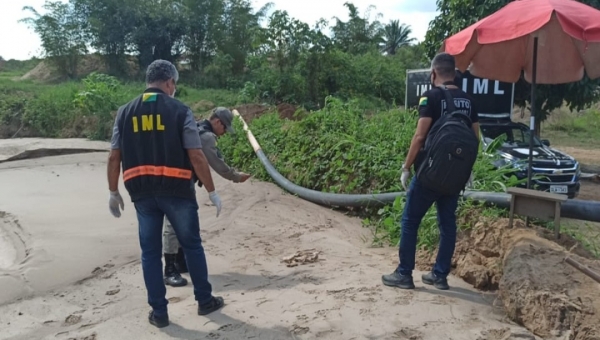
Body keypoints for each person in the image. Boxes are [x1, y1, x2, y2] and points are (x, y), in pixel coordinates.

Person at [106, 59, 225, 328]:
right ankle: (204, 301)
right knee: (192, 245)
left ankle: (159, 314)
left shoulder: (124, 113)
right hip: (177, 191)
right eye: (175, 85)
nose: (174, 89)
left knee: (150, 253)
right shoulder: (180, 111)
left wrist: (113, 191)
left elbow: (114, 157)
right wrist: (212, 191)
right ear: (170, 82)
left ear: (149, 81)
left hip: (142, 194)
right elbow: (195, 154)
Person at [382, 52, 480, 291]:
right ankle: (439, 275)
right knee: (447, 225)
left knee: (410, 220)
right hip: (455, 177)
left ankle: (404, 273)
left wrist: (406, 167)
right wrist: (467, 170)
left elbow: (420, 136)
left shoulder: (430, 97)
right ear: (455, 73)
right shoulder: (469, 100)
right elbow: (474, 138)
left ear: (433, 73)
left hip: (429, 174)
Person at [162, 107, 252, 287]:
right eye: (224, 128)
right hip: (177, 181)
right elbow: (217, 163)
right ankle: (170, 269)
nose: (224, 133)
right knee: (173, 224)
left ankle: (179, 262)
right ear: (217, 122)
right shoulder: (206, 136)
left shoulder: (194, 128)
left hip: (174, 179)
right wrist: (236, 177)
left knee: (182, 222)